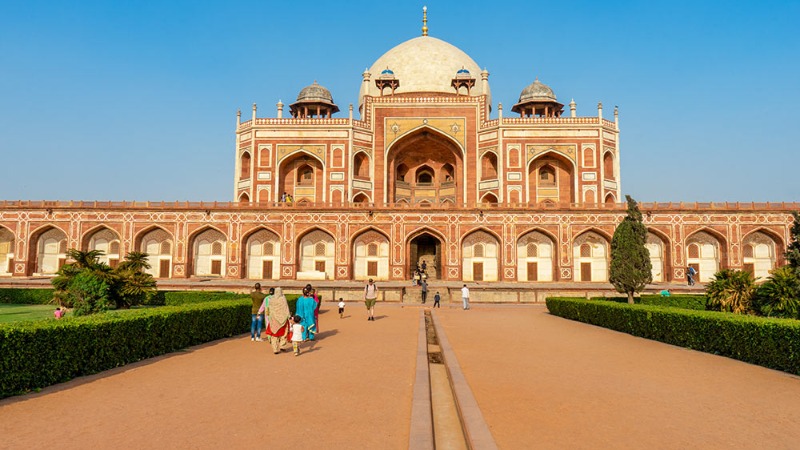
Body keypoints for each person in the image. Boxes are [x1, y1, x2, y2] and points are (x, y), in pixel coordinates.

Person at [264, 287, 291, 354]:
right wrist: (289, 316)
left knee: (274, 334)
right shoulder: (283, 298)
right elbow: (286, 308)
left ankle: (275, 349)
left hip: (274, 320)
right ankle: (282, 346)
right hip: (283, 319)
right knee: (284, 333)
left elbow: (269, 309)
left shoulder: (271, 299)